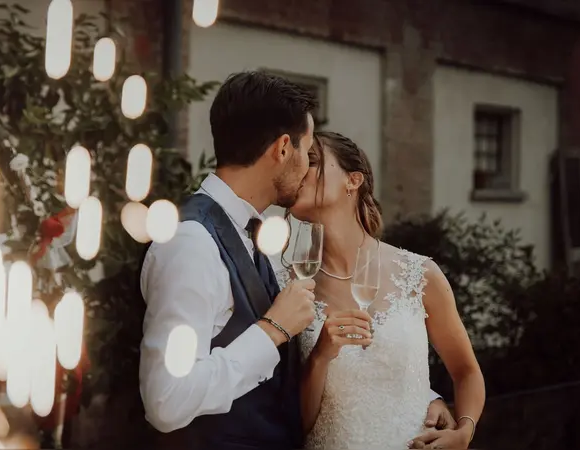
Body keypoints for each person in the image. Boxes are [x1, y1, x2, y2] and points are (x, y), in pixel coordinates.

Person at [139, 71, 455, 450]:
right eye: (307, 151)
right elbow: (166, 400)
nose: (307, 167)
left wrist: (419, 394)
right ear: (283, 148)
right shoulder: (191, 242)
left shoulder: (253, 237)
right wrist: (272, 329)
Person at [277, 131, 486, 450]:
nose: (300, 169)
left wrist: (464, 431)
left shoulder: (420, 274)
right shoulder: (284, 285)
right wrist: (320, 357)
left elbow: (466, 371)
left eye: (313, 160)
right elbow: (295, 424)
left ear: (353, 180)